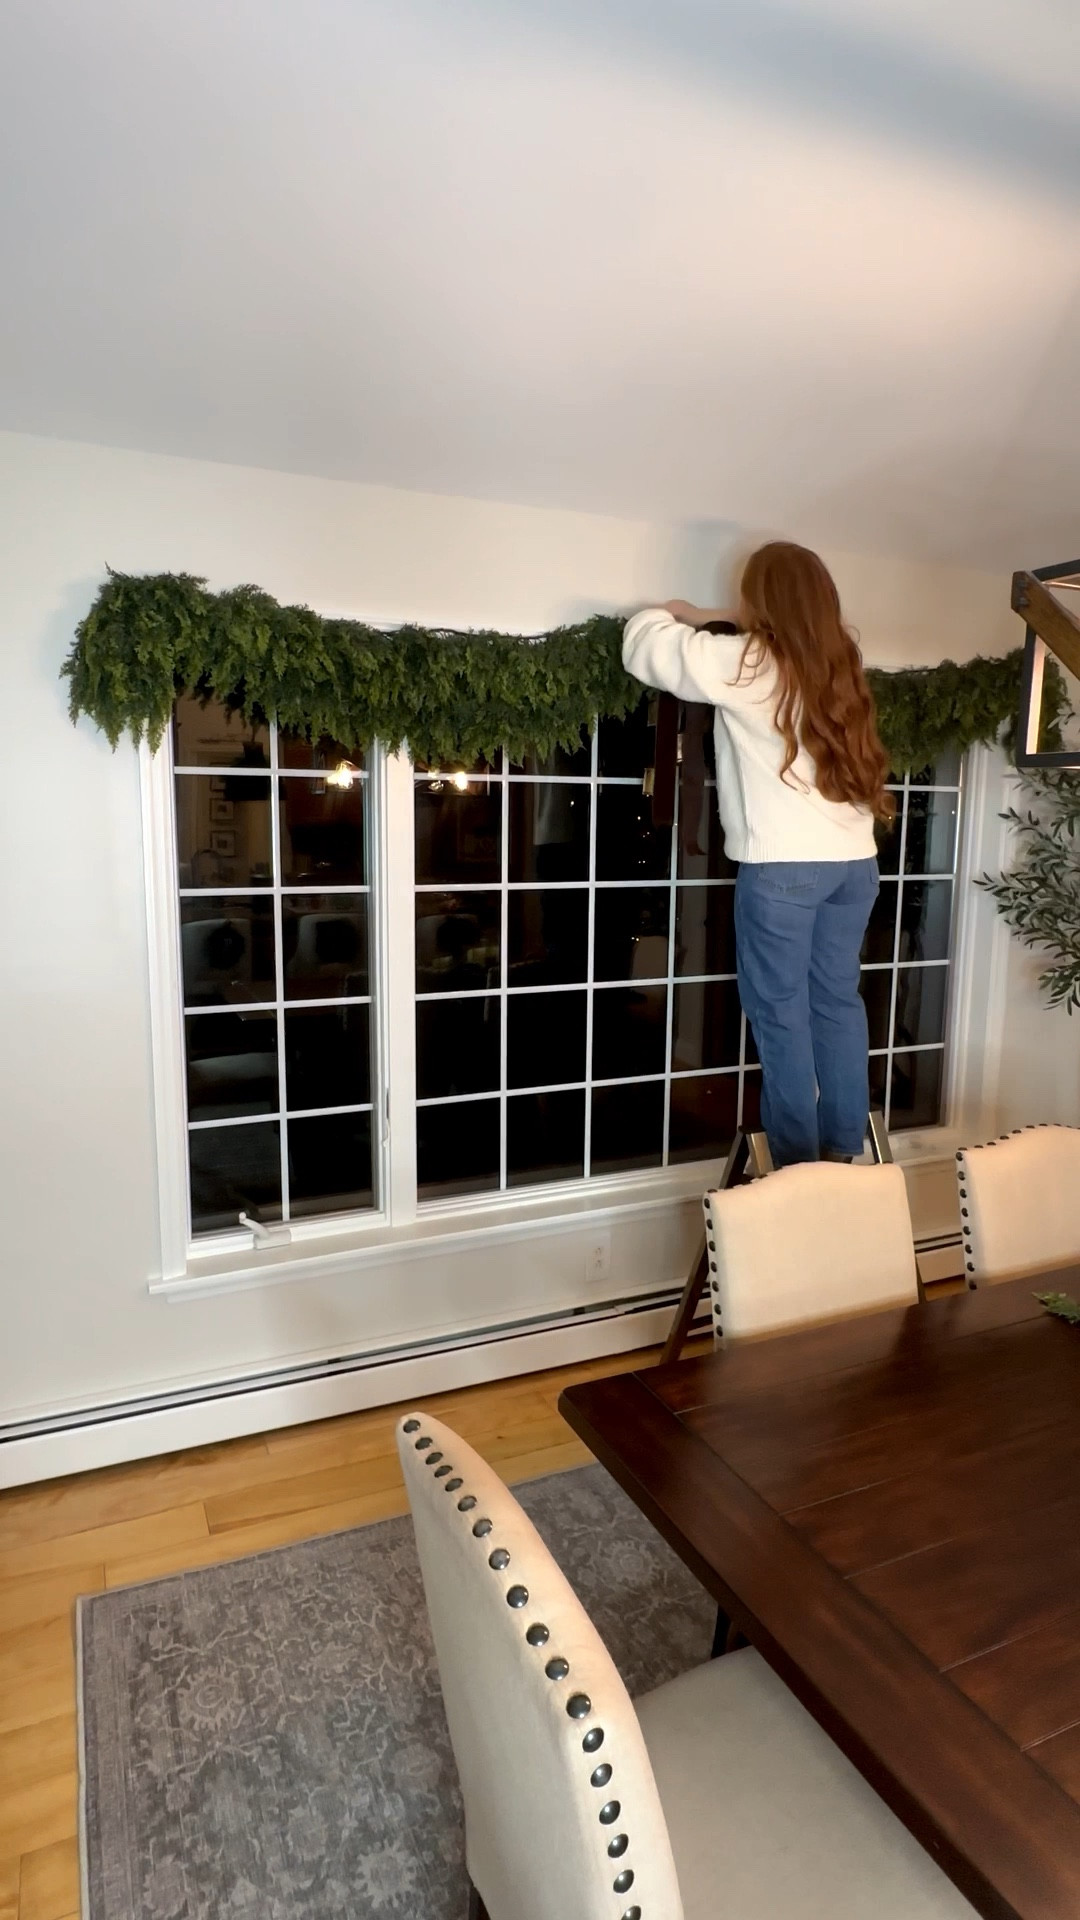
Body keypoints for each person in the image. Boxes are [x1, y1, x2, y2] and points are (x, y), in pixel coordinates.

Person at [622, 541, 893, 1168]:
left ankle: (799, 1168)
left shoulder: (751, 662)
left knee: (780, 1015)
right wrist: (718, 614)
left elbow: (646, 647)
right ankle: (846, 1150)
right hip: (854, 866)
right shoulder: (841, 662)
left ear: (759, 602)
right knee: (836, 1001)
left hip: (785, 868)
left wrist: (670, 611)